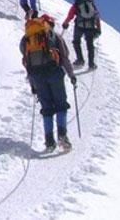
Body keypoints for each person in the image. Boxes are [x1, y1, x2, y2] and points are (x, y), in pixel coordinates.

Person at [20, 14, 77, 152]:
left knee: (47, 109)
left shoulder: (27, 38)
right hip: (54, 73)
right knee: (61, 105)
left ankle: (49, 141)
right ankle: (62, 136)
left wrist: (33, 85)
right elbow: (64, 58)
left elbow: (27, 61)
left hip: (37, 76)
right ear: (50, 23)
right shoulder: (54, 36)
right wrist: (71, 75)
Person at [61, 0, 102, 70]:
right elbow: (97, 17)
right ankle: (91, 64)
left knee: (76, 42)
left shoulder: (77, 3)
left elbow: (70, 15)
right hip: (90, 27)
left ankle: (80, 60)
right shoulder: (91, 3)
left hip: (79, 26)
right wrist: (98, 29)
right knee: (90, 45)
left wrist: (65, 23)